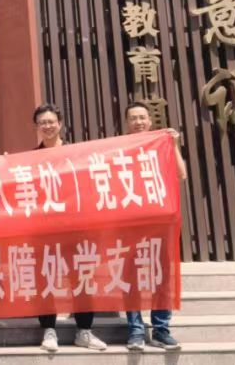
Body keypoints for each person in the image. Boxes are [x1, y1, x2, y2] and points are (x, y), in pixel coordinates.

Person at [33, 103, 107, 352]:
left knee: (82, 276)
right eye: (42, 122)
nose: (47, 126)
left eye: (51, 121)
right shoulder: (31, 159)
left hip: (77, 228)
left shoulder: (77, 154)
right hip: (45, 230)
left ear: (60, 124)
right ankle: (49, 330)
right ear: (37, 127)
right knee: (47, 278)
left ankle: (84, 330)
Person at [124, 100, 185, 351]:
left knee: (161, 275)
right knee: (131, 276)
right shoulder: (121, 148)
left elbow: (181, 174)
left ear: (150, 120)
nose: (138, 122)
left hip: (159, 222)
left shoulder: (161, 144)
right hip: (130, 223)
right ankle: (136, 331)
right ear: (127, 123)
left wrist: (174, 145)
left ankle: (161, 329)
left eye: (142, 117)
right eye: (133, 118)